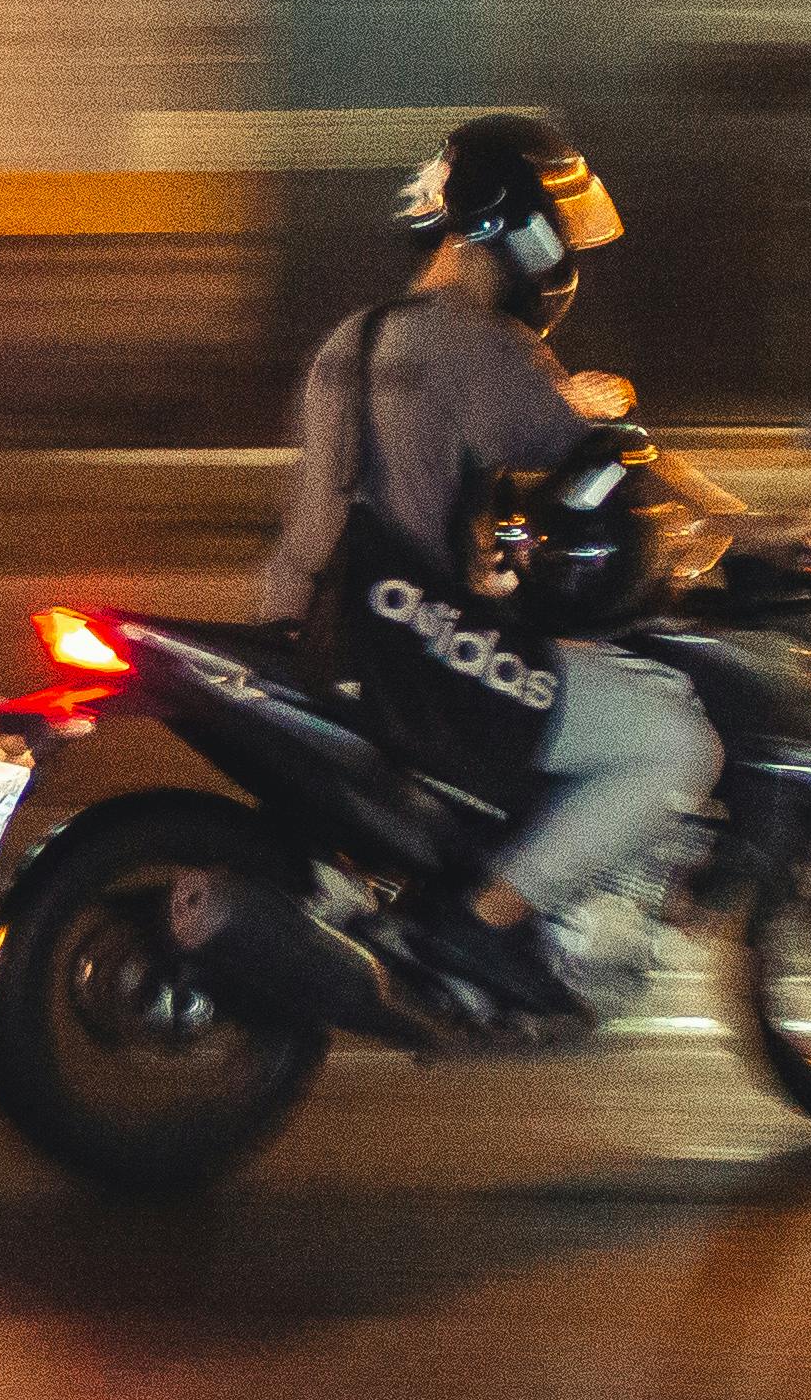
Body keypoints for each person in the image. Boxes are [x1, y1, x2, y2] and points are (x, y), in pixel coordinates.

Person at [252, 109, 725, 1018]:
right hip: (427, 647)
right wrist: (738, 522)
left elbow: (314, 531)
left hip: (340, 636)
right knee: (673, 743)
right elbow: (613, 448)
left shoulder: (351, 339)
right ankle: (486, 921)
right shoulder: (477, 344)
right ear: (518, 223)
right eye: (556, 224)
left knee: (571, 677)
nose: (562, 254)